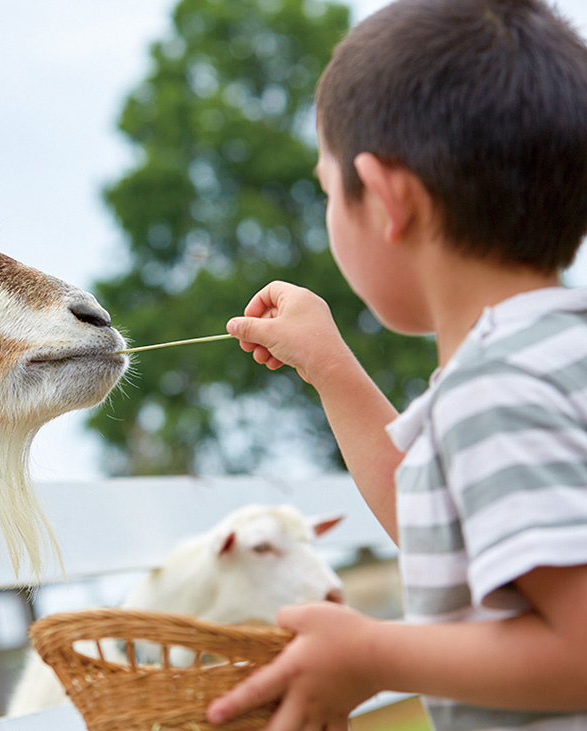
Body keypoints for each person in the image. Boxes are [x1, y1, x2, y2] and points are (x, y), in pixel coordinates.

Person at [208, 0, 587, 729]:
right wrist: (331, 368)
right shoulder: (541, 361)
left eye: (326, 190)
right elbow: (438, 528)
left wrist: (378, 653)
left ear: (385, 199)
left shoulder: (497, 394)